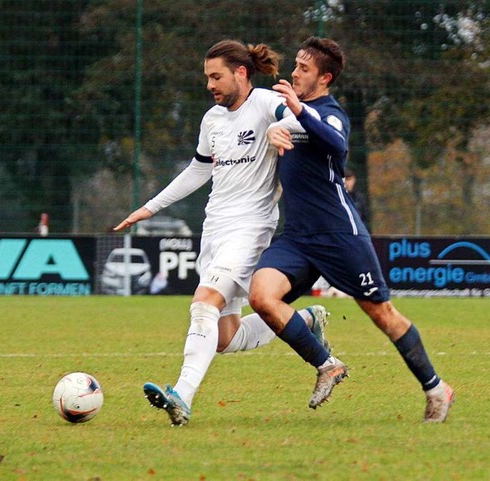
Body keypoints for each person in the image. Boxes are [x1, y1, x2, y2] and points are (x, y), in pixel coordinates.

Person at [114, 39, 331, 426]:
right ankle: (306, 321)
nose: (210, 85)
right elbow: (199, 170)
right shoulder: (212, 119)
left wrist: (280, 132)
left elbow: (302, 121)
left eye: (216, 76)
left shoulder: (265, 103)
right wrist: (150, 207)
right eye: (207, 77)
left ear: (241, 73)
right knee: (226, 336)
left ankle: (182, 394)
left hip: (250, 229)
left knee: (203, 304)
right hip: (213, 230)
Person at [249, 37, 455, 422]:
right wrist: (275, 132)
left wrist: (298, 113)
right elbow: (278, 135)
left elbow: (336, 144)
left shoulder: (330, 113)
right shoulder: (290, 115)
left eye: (305, 68)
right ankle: (326, 364)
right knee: (261, 296)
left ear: (324, 78)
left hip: (340, 235)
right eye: (296, 64)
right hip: (297, 238)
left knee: (383, 315)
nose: (295, 72)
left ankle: (436, 388)